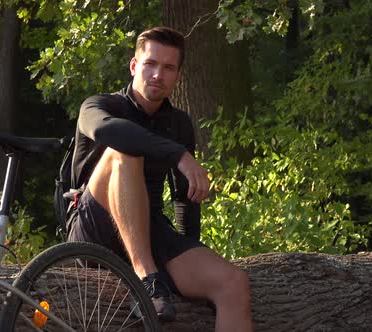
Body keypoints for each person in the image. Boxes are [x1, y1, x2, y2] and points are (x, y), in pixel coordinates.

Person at [67, 26, 252, 331]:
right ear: (134, 66)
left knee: (233, 283)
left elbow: (186, 199)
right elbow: (104, 131)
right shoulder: (99, 106)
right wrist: (179, 155)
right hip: (92, 227)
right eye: (150, 64)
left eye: (168, 68)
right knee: (124, 152)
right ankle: (148, 281)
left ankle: (153, 273)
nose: (157, 74)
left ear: (178, 75)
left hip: (150, 229)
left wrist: (189, 248)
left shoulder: (178, 124)